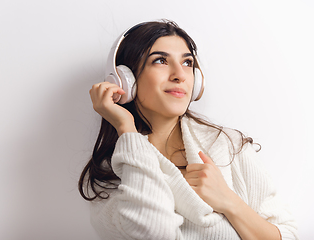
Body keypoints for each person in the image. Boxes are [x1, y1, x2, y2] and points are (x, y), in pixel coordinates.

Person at [78, 20, 298, 240]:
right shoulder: (110, 176)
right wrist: (126, 128)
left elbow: (287, 235)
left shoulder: (227, 145)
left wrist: (229, 201)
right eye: (161, 60)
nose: (180, 75)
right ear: (126, 80)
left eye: (187, 63)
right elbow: (154, 231)